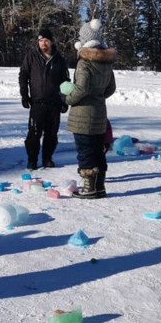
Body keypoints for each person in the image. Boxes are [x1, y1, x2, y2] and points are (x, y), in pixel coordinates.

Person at [63, 19, 116, 199]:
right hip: (100, 115)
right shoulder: (106, 61)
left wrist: (67, 98)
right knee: (97, 151)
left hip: (83, 115)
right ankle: (99, 186)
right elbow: (111, 88)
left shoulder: (84, 61)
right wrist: (98, 97)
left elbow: (82, 88)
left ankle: (89, 188)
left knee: (85, 151)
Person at [18, 27, 71, 170]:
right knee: (34, 133)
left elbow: (65, 82)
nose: (43, 43)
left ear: (51, 42)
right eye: (40, 41)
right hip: (37, 102)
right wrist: (24, 94)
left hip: (54, 103)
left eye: (46, 41)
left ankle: (47, 158)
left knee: (51, 135)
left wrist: (64, 100)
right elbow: (23, 75)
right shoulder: (31, 56)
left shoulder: (59, 60)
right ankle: (32, 160)